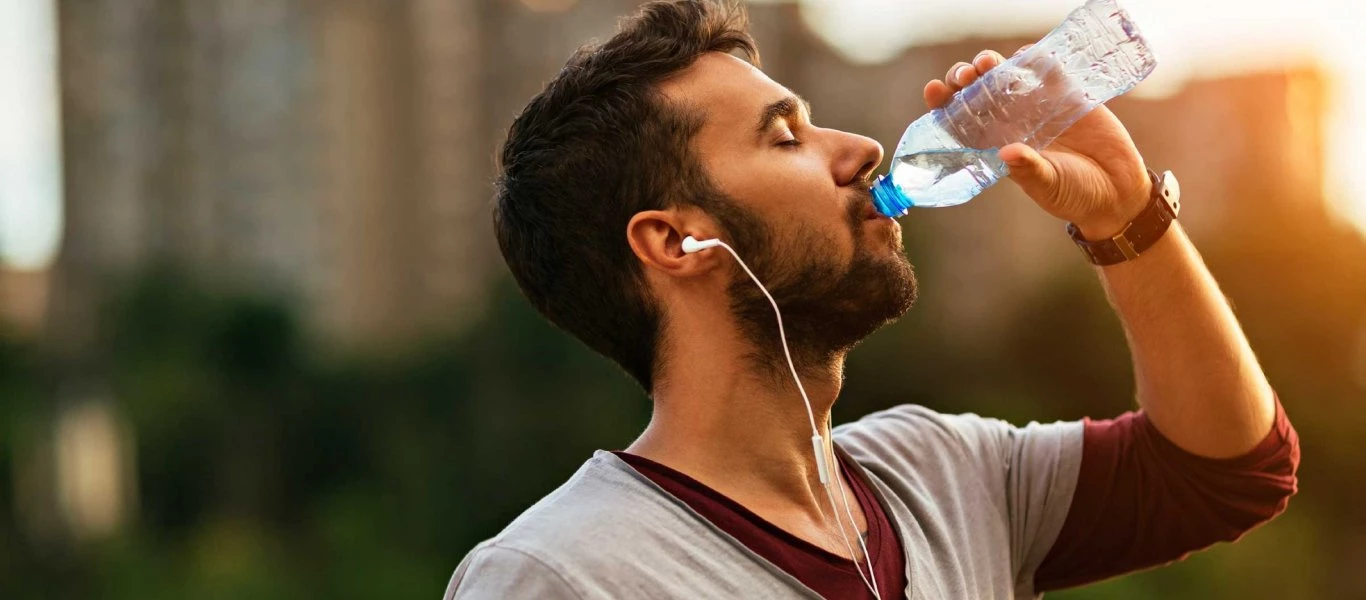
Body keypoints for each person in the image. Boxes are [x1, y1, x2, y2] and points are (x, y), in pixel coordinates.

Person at [446, 1, 1299, 598]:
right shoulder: (558, 576)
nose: (858, 147)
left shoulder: (945, 474)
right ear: (674, 243)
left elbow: (1228, 469)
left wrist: (1127, 219)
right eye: (785, 137)